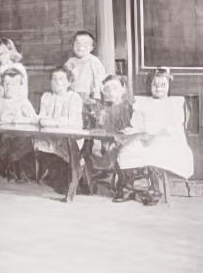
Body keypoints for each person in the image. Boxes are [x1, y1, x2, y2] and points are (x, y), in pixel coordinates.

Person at [116, 68, 193, 204]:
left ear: (169, 86)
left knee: (155, 153)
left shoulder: (174, 104)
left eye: (163, 85)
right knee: (126, 150)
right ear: (149, 86)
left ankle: (155, 188)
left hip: (167, 139)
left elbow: (173, 127)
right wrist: (135, 134)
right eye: (155, 85)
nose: (159, 88)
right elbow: (137, 124)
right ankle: (128, 187)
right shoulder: (143, 103)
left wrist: (154, 137)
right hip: (144, 136)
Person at [34, 66, 84, 170]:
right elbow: (42, 117)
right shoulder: (46, 96)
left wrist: (51, 123)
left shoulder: (74, 98)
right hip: (49, 136)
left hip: (68, 137)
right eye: (54, 79)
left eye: (61, 79)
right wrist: (41, 120)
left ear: (69, 82)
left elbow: (73, 122)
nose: (57, 82)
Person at [64, 31, 106, 102]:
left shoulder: (94, 61)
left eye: (85, 43)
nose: (80, 46)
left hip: (88, 97)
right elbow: (64, 79)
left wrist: (96, 98)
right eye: (77, 43)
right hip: (71, 97)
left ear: (92, 47)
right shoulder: (70, 62)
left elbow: (99, 81)